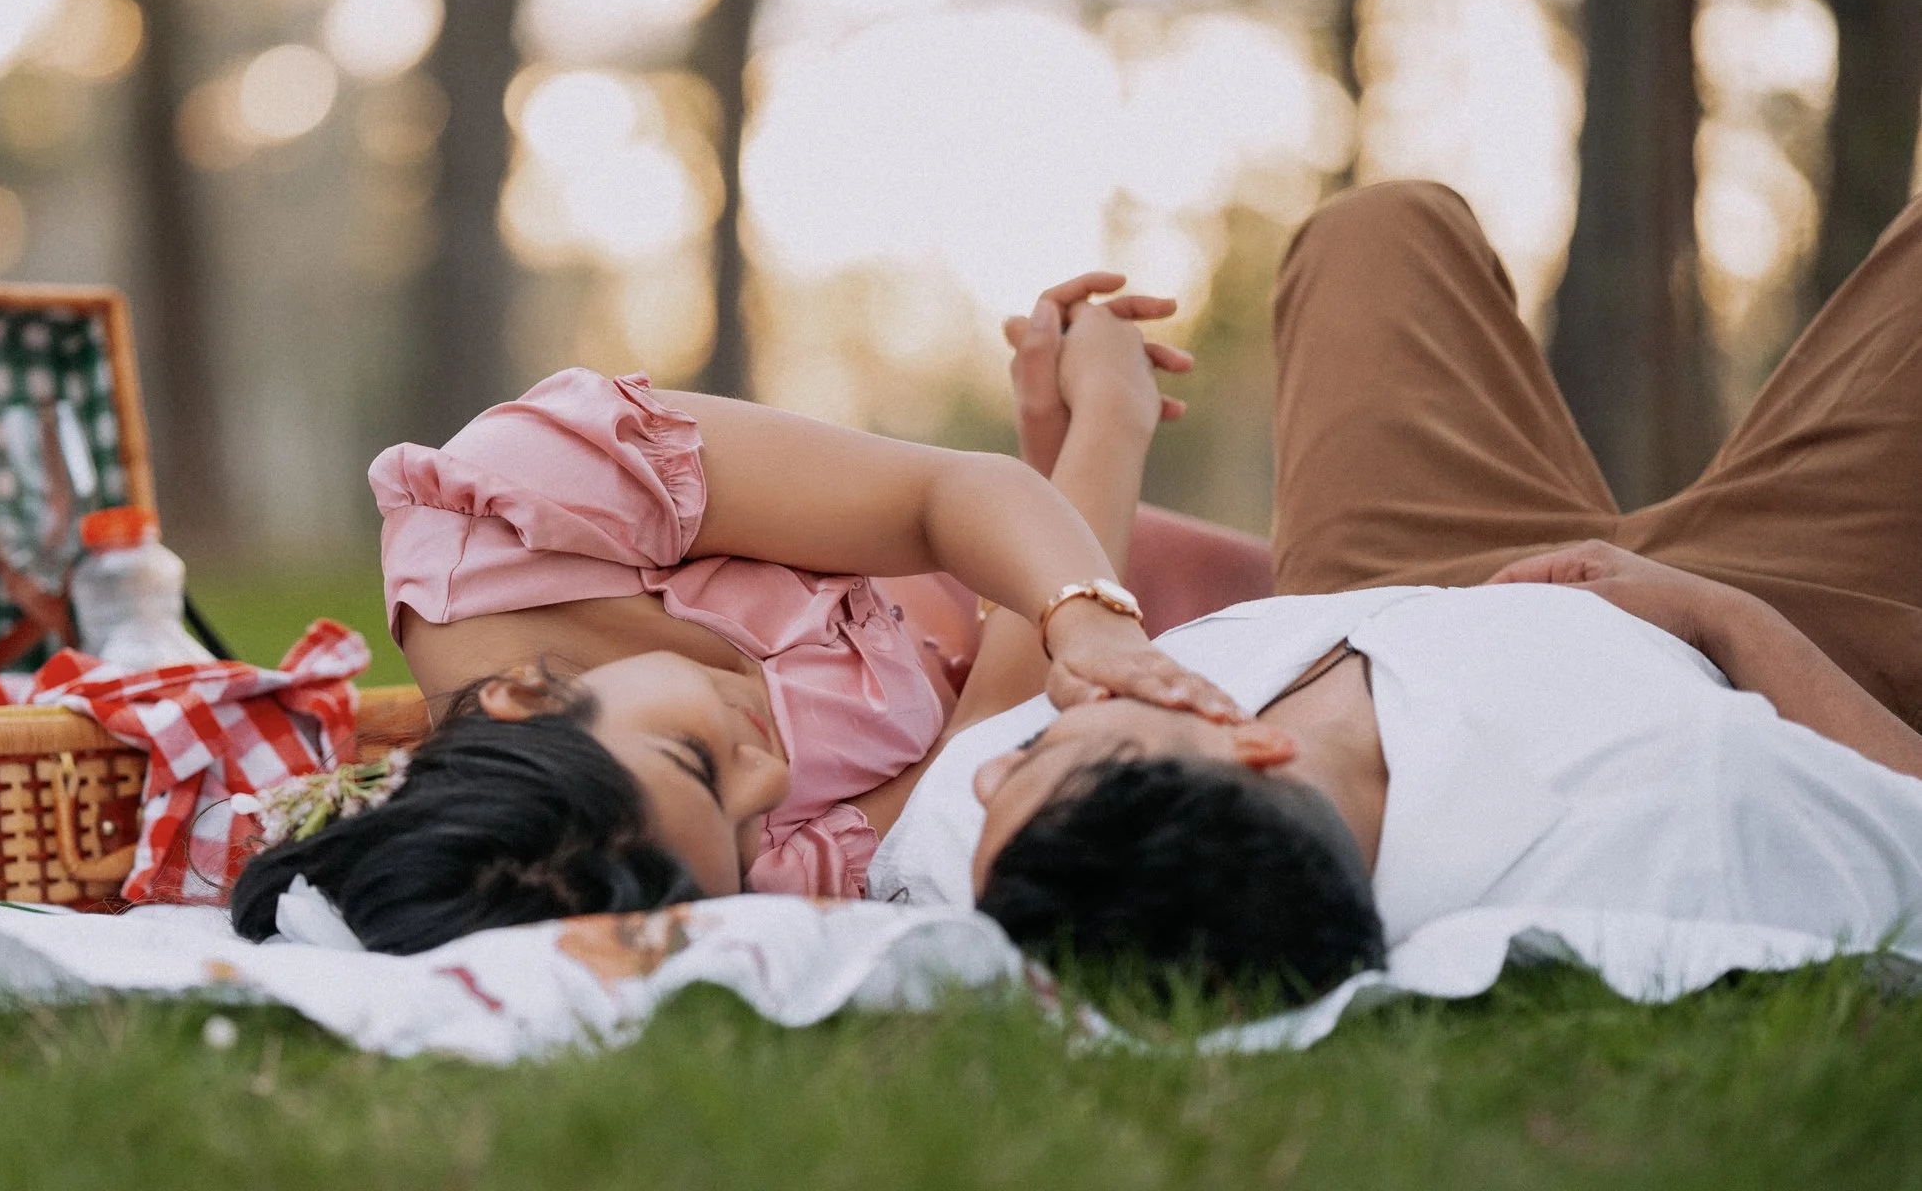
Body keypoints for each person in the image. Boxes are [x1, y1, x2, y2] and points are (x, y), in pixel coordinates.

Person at [866, 180, 1922, 1003]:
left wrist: (1087, 421)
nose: (993, 769)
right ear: (1250, 743)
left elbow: (1024, 679)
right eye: (1048, 751)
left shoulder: (1010, 854)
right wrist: (1717, 616)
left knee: (1375, 227)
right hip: (1733, 618)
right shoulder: (1669, 814)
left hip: (1385, 580)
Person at [231, 278, 1266, 952]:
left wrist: (1083, 601)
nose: (769, 783)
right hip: (1185, 680)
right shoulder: (711, 875)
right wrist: (1101, 431)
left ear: (521, 697)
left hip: (1109, 586)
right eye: (743, 828)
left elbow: (940, 497)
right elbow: (997, 732)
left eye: (695, 758)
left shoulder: (520, 508)